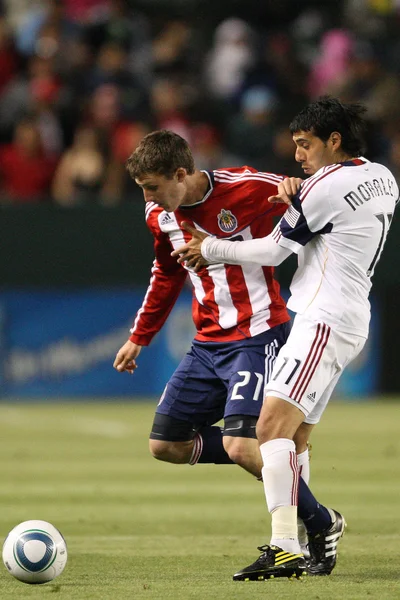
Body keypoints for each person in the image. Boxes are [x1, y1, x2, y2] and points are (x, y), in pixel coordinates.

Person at [172, 97, 399, 581]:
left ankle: (284, 546)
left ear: (334, 141)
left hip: (322, 318)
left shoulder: (324, 185)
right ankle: (314, 539)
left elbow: (276, 251)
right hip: (350, 317)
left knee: (269, 429)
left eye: (305, 144)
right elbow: (336, 222)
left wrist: (210, 246)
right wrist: (301, 199)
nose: (297, 156)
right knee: (295, 438)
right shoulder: (382, 176)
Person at [113, 129, 345, 577]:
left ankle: (309, 526)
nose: (150, 199)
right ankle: (322, 516)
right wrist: (140, 335)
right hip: (207, 345)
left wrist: (295, 187)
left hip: (258, 336)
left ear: (181, 173)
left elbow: (303, 196)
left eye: (153, 188)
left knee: (242, 444)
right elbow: (166, 271)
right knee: (166, 445)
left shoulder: (246, 187)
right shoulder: (159, 216)